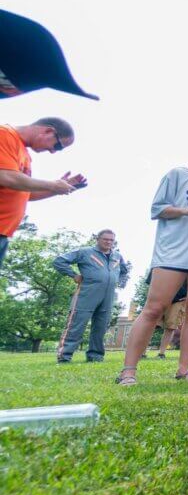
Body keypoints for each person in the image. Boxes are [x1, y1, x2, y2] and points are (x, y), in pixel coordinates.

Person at [115, 130, 188, 385]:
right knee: (154, 308)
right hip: (173, 252)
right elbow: (157, 209)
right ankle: (128, 371)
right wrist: (187, 210)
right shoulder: (178, 175)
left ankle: (184, 369)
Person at [0, 118, 86, 266]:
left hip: (4, 233)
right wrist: (52, 185)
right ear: (48, 131)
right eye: (58, 146)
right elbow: (6, 177)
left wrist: (57, 189)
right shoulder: (4, 135)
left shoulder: (25, 155)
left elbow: (26, 193)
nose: (53, 151)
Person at [53, 229, 129, 363]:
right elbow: (59, 261)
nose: (108, 242)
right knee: (76, 324)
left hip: (108, 296)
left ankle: (95, 356)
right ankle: (64, 356)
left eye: (111, 240)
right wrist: (73, 275)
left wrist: (119, 282)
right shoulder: (85, 252)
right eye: (105, 239)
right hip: (86, 293)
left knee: (101, 327)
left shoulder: (117, 256)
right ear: (98, 239)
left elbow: (124, 271)